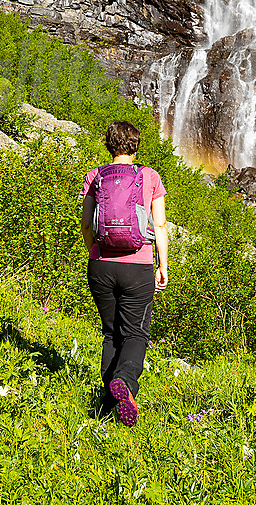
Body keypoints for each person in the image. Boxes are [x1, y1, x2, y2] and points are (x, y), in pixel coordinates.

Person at [80, 120, 168, 426]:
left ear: (109, 144)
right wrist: (163, 266)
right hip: (138, 264)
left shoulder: (96, 175)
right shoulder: (150, 176)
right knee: (136, 333)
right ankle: (126, 384)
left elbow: (86, 224)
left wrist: (95, 251)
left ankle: (108, 406)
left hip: (101, 263)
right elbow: (159, 225)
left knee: (111, 333)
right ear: (135, 145)